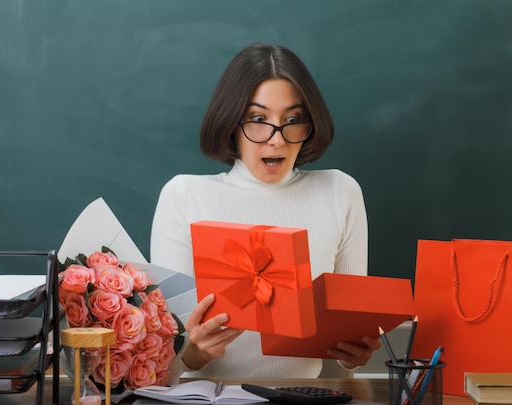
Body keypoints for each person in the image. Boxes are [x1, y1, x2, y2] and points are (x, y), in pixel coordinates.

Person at [150, 42, 380, 378]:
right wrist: (196, 353)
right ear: (231, 122)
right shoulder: (184, 196)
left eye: (292, 120)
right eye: (258, 119)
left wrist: (354, 353)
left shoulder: (340, 192)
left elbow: (347, 345)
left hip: (301, 404)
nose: (277, 139)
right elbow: (168, 360)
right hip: (206, 404)